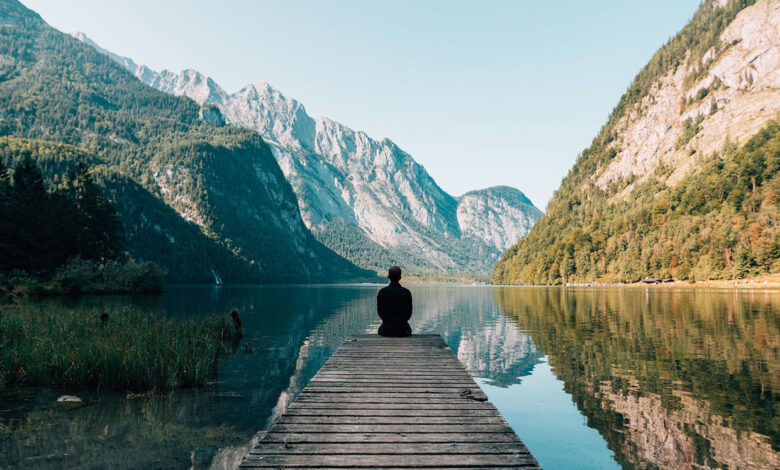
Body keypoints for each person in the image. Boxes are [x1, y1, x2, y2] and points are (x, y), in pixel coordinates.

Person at [376, 265, 413, 337]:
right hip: (403, 330)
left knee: (381, 330)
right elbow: (409, 314)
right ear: (400, 277)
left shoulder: (382, 292)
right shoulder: (406, 292)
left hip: (386, 330)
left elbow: (380, 313)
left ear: (388, 277)